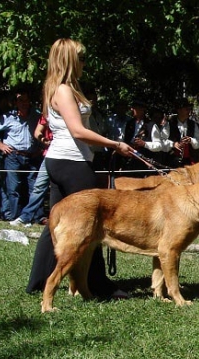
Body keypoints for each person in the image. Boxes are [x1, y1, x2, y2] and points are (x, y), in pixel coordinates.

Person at [26, 38, 135, 298]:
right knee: (93, 224)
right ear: (69, 60)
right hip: (72, 162)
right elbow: (78, 131)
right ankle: (97, 285)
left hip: (60, 160)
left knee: (55, 222)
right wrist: (114, 144)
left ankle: (38, 283)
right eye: (81, 57)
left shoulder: (60, 88)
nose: (84, 62)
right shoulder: (63, 90)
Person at [0, 90, 40, 221]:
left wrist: (41, 147)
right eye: (21, 100)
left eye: (26, 100)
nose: (24, 103)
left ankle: (34, 217)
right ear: (15, 103)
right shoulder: (8, 117)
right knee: (13, 188)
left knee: (34, 188)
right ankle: (15, 217)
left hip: (32, 156)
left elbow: (45, 130)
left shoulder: (35, 116)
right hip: (13, 156)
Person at [10, 115, 52, 226]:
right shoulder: (47, 115)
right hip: (50, 155)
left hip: (69, 156)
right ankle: (25, 217)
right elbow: (38, 132)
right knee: (38, 187)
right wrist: (43, 139)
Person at [166, 98, 199, 167]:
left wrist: (191, 140)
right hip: (172, 161)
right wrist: (173, 144)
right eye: (186, 109)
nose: (189, 111)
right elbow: (162, 141)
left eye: (189, 109)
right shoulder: (169, 124)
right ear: (179, 110)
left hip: (189, 161)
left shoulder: (193, 124)